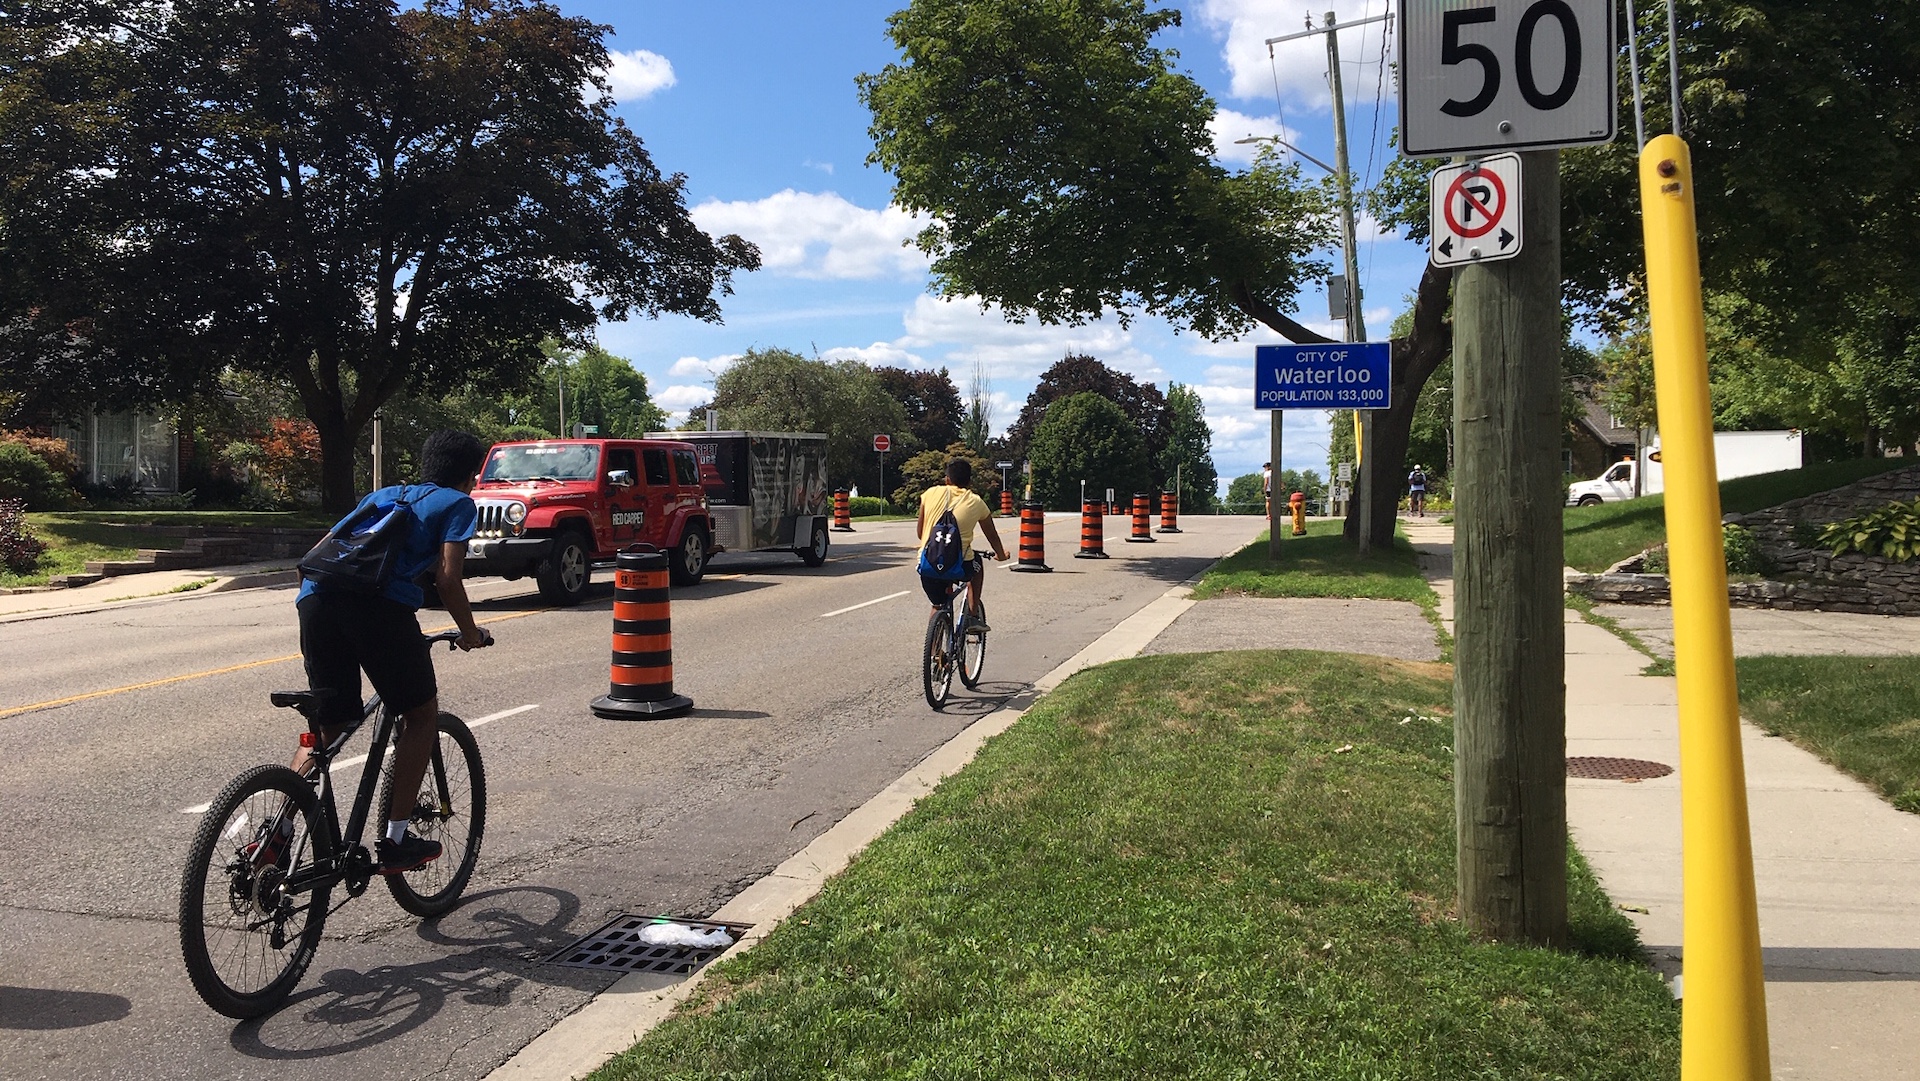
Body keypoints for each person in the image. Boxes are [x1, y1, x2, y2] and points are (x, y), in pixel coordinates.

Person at [290, 430, 493, 874]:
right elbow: (447, 577)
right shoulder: (457, 504)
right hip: (377, 607)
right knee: (420, 713)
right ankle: (395, 840)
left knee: (331, 725)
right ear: (470, 474)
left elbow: (319, 550)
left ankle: (278, 835)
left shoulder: (382, 494)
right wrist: (469, 631)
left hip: (315, 598)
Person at [916, 458, 1008, 631]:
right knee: (977, 563)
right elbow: (992, 534)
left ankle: (935, 653)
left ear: (947, 480)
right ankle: (973, 617)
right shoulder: (976, 501)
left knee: (938, 604)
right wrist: (1001, 554)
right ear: (969, 481)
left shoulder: (930, 493)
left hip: (928, 565)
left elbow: (921, 533)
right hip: (960, 565)